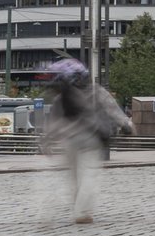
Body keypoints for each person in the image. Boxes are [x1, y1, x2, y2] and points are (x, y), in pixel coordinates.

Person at [41, 60, 129, 225]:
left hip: (69, 141)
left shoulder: (61, 97)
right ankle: (82, 212)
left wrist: (47, 141)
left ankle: (78, 208)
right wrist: (126, 124)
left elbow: (53, 120)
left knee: (74, 178)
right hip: (90, 139)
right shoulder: (96, 92)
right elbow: (112, 108)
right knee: (88, 174)